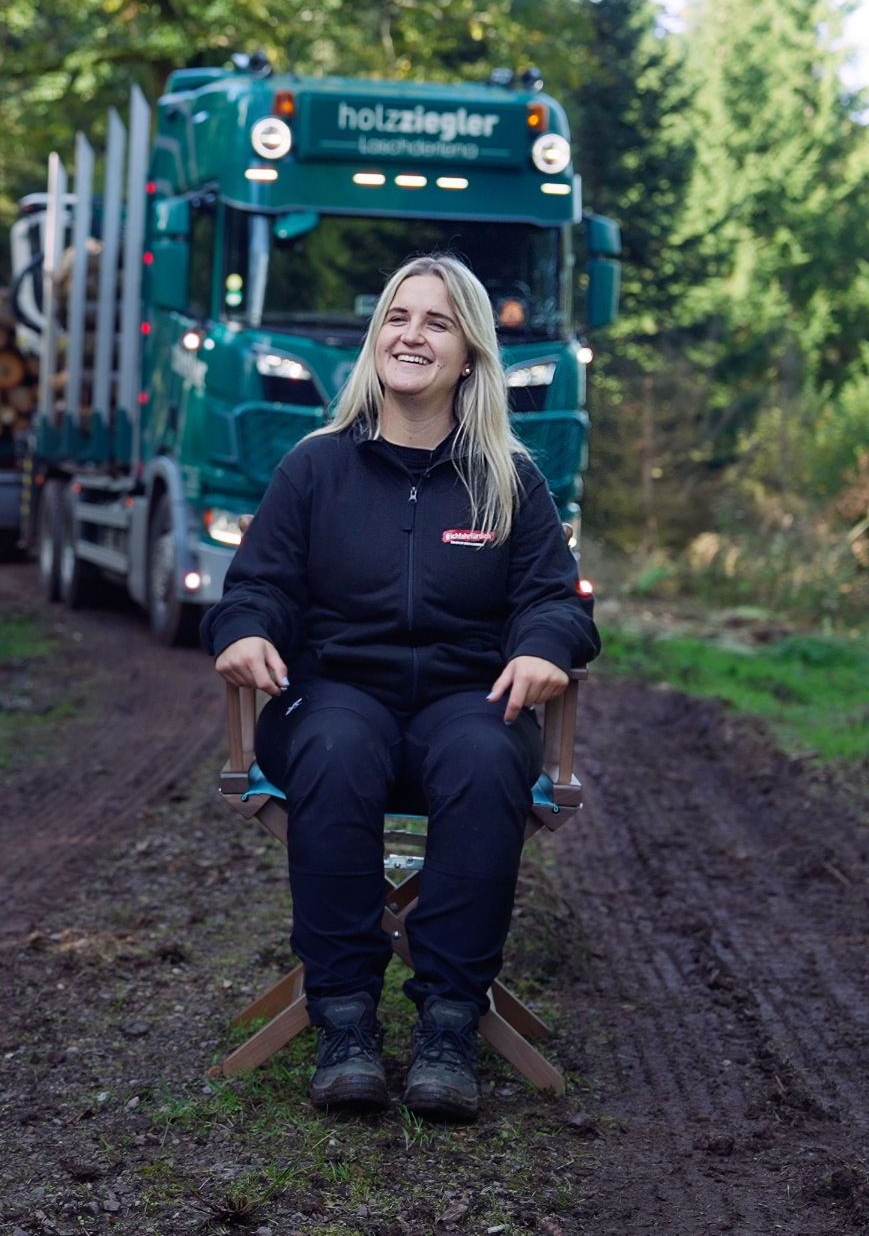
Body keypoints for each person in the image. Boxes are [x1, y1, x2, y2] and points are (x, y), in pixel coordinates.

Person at [202, 254, 599, 1121]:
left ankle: (449, 1027)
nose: (411, 335)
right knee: (339, 748)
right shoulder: (313, 469)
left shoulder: (508, 477)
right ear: (376, 339)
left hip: (464, 705)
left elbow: (554, 601)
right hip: (334, 699)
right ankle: (343, 1023)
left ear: (469, 356)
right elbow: (256, 586)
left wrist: (540, 646)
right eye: (397, 317)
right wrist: (244, 631)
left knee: (489, 757)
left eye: (437, 322)